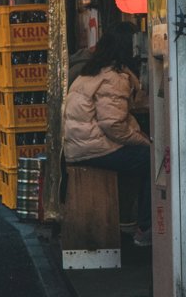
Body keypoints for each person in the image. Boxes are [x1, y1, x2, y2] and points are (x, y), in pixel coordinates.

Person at [62, 22, 152, 247]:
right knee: (152, 159)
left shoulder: (93, 69)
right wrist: (146, 141)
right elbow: (113, 125)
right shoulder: (114, 76)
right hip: (91, 148)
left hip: (79, 145)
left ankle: (128, 220)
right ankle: (146, 227)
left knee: (140, 158)